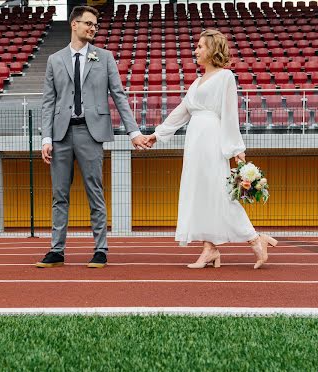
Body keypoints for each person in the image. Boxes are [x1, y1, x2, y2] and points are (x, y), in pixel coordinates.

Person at [144, 29, 277, 269]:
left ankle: (255, 239)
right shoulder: (196, 82)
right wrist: (157, 134)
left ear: (213, 50)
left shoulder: (225, 77)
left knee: (220, 193)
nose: (195, 50)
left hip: (212, 140)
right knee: (200, 193)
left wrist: (236, 148)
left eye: (200, 47)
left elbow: (230, 114)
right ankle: (210, 248)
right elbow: (181, 112)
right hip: (195, 142)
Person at [36, 6, 148, 269]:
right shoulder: (54, 60)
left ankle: (100, 250)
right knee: (59, 195)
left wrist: (133, 131)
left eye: (95, 25)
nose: (93, 28)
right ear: (74, 25)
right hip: (61, 135)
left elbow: (119, 95)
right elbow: (48, 102)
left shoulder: (105, 57)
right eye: (88, 24)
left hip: (91, 132)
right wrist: (46, 138)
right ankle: (56, 251)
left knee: (94, 193)